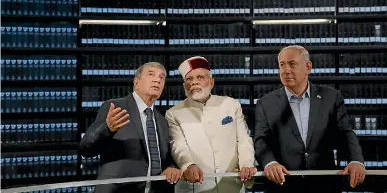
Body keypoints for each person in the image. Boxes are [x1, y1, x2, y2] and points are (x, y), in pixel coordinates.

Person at [254, 45, 366, 193]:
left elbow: (345, 132)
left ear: (308, 67)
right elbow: (261, 140)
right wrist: (269, 163)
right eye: (282, 65)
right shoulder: (266, 103)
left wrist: (356, 160)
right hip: (283, 185)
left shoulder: (331, 97)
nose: (286, 70)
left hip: (323, 185)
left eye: (292, 64)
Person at [80, 62, 182, 193]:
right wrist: (107, 128)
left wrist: (171, 166)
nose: (157, 79)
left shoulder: (162, 120)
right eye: (151, 74)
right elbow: (85, 149)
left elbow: (165, 159)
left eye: (162, 77)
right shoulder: (115, 108)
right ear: (137, 82)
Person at [165, 56, 256, 193]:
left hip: (232, 185)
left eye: (200, 77)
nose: (194, 82)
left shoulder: (230, 104)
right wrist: (188, 165)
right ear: (184, 86)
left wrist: (246, 164)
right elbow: (178, 145)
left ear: (211, 82)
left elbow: (243, 140)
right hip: (195, 187)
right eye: (189, 79)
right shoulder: (173, 113)